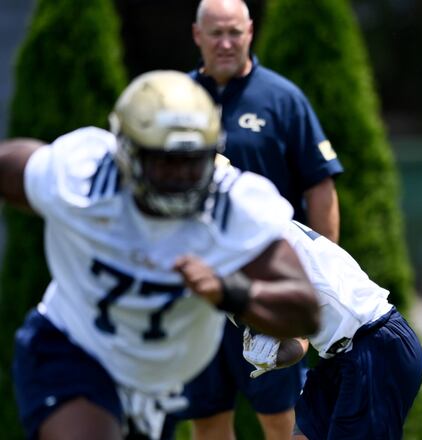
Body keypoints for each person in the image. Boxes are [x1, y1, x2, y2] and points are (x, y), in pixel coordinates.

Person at [1, 70, 320, 440]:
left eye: (193, 160)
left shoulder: (234, 204)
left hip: (160, 386)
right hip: (74, 348)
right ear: (127, 151)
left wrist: (230, 291)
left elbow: (305, 310)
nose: (181, 175)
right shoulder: (83, 176)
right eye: (166, 161)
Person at [175, 0, 345, 439]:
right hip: (197, 295)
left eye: (235, 32)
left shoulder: (283, 98)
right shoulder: (175, 101)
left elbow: (320, 189)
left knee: (285, 421)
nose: (226, 43)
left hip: (266, 288)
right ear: (198, 36)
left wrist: (316, 290)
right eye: (216, 34)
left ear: (251, 31)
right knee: (207, 419)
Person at [242, 220, 422, 440]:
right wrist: (276, 355)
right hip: (342, 352)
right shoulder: (251, 223)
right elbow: (301, 334)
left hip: (374, 344)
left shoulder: (238, 236)